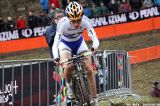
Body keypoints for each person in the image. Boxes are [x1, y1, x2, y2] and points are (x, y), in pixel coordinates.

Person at [52, 1, 99, 105]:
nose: (76, 24)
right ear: (68, 19)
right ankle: (69, 88)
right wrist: (56, 57)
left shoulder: (86, 21)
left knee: (89, 69)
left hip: (79, 43)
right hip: (65, 44)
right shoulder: (62, 24)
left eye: (78, 20)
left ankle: (95, 99)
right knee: (68, 67)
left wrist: (94, 47)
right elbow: (55, 44)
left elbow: (95, 38)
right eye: (73, 21)